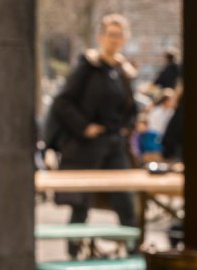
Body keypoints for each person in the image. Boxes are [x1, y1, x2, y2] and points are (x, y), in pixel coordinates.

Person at [49, 14, 139, 255]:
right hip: (87, 147)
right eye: (110, 34)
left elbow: (131, 108)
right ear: (101, 37)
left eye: (119, 35)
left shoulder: (123, 71)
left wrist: (126, 127)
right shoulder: (88, 67)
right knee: (80, 206)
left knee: (126, 204)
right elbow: (62, 103)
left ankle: (134, 256)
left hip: (114, 144)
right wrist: (84, 126)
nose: (114, 40)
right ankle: (73, 255)